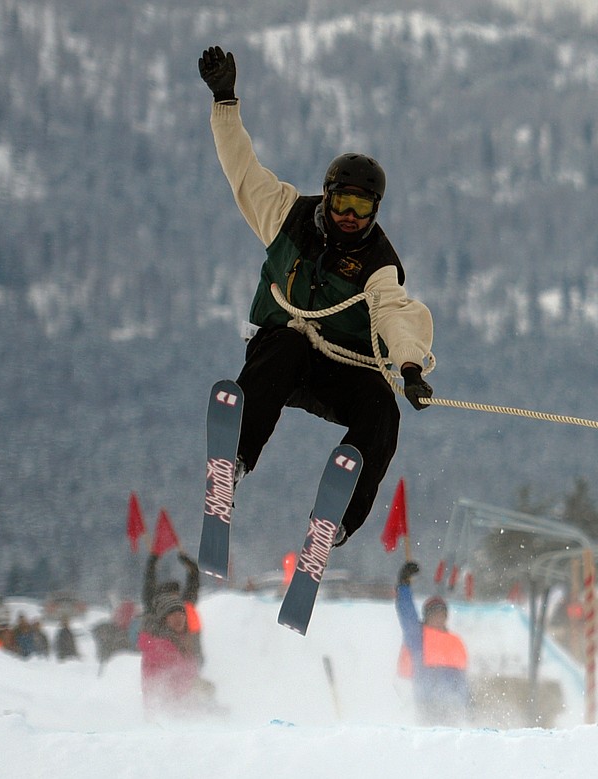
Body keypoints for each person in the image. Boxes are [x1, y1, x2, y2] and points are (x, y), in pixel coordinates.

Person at [197, 46, 434, 548]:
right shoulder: (286, 213)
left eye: (362, 207)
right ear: (326, 195)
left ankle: (335, 520)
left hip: (340, 371)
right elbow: (242, 169)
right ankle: (233, 461)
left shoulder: (379, 263)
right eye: (343, 202)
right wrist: (225, 100)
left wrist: (410, 368)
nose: (351, 216)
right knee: (284, 345)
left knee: (382, 412)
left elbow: (395, 316)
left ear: (375, 210)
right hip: (282, 356)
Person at [394, 561, 469, 725]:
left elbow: (462, 679)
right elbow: (407, 614)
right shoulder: (418, 637)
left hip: (452, 707)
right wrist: (404, 585)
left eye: (442, 614)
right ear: (426, 616)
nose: (438, 617)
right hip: (427, 705)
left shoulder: (455, 641)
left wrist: (468, 705)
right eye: (434, 613)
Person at [137, 590, 217, 717]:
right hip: (168, 713)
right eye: (172, 614)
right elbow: (172, 681)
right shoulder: (158, 645)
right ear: (164, 619)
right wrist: (197, 686)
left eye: (181, 614)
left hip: (181, 709)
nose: (178, 618)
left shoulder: (179, 642)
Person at [142, 550, 203, 659]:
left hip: (189, 662)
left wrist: (192, 567)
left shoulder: (182, 606)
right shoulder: (155, 609)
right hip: (167, 664)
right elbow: (148, 587)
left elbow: (193, 585)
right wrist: (152, 564)